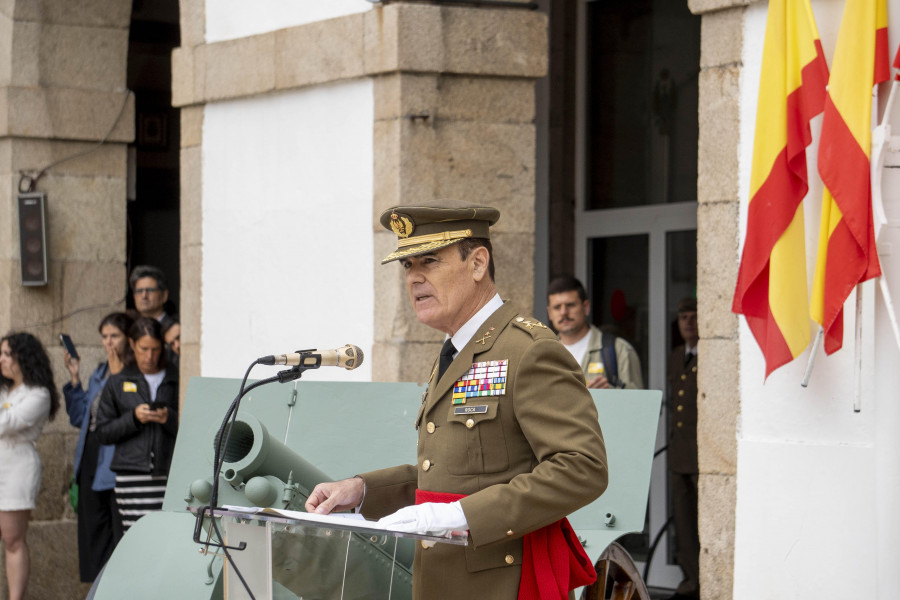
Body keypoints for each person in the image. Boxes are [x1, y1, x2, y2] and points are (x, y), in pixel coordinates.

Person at [305, 202, 608, 599]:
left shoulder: (528, 350)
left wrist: (460, 516)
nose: (414, 278)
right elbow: (451, 474)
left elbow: (581, 468)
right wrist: (363, 490)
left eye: (429, 261)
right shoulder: (455, 351)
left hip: (500, 584)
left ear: (478, 263)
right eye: (407, 266)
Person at [63, 312, 134, 581]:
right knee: (93, 529)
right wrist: (74, 379)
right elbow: (81, 417)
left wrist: (117, 370)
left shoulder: (132, 371)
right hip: (91, 454)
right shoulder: (100, 371)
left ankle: (116, 585)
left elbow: (125, 412)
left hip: (115, 456)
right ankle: (97, 588)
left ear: (128, 338)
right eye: (104, 337)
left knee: (116, 527)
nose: (108, 343)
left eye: (114, 336)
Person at [95, 318, 179, 535]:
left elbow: (193, 426)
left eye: (155, 349)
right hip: (131, 473)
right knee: (135, 537)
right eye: (143, 349)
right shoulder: (118, 381)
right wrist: (133, 418)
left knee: (165, 535)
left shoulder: (176, 377)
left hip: (168, 472)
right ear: (132, 344)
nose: (149, 356)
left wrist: (168, 418)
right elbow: (103, 432)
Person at [0, 332, 60, 600]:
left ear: (23, 358)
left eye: (7, 354)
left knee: (12, 539)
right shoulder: (3, 388)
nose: (1, 359)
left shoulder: (39, 394)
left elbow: (8, 423)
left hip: (17, 468)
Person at [546, 276, 644, 389]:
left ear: (586, 307)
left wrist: (609, 394)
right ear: (550, 313)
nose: (563, 312)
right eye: (557, 307)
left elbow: (638, 404)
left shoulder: (619, 350)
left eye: (570, 305)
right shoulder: (543, 356)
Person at [666, 298, 699, 600]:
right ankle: (690, 581)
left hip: (702, 457)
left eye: (694, 316)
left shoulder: (708, 355)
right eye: (683, 316)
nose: (688, 322)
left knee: (702, 522)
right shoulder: (677, 355)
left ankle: (704, 581)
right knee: (684, 523)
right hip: (679, 455)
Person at [129, 265, 175, 329]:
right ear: (134, 296)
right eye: (139, 291)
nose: (144, 296)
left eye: (150, 290)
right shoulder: (130, 329)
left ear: (164, 295)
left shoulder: (174, 329)